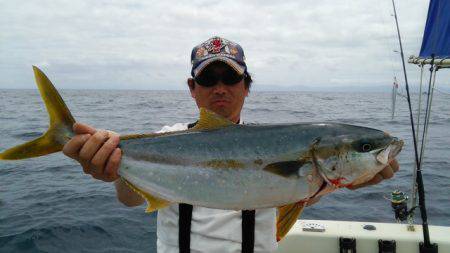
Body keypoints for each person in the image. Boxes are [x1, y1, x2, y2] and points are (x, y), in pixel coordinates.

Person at [62, 36, 399, 253]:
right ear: (193, 89)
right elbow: (129, 197)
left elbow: (304, 191)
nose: (220, 88)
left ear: (246, 87)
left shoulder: (294, 157)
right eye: (208, 79)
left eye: (231, 78)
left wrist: (357, 177)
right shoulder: (168, 137)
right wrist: (112, 170)